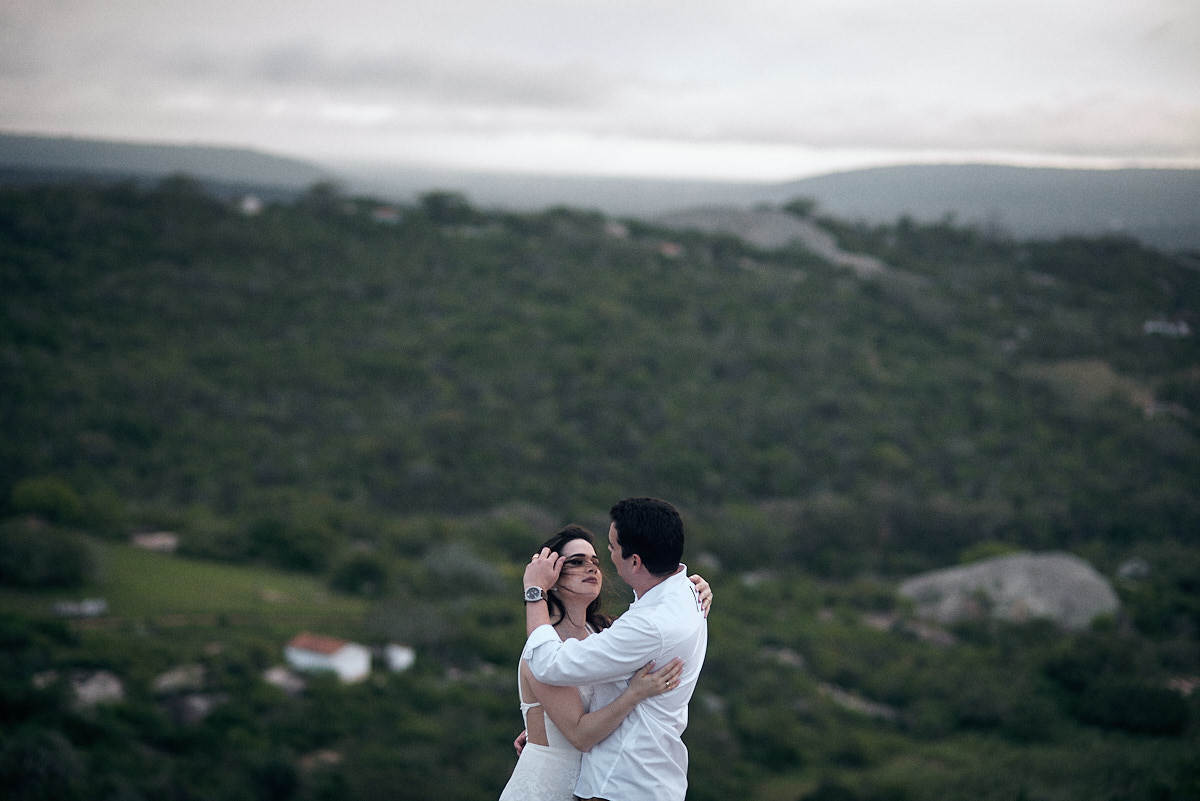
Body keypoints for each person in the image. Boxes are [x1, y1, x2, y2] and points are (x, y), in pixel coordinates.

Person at [521, 497, 709, 801]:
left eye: (609, 549)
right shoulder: (686, 594)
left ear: (635, 561)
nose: (599, 563)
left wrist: (534, 590)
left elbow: (547, 663)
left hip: (622, 782)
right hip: (643, 780)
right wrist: (544, 727)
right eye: (577, 561)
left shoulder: (644, 625)